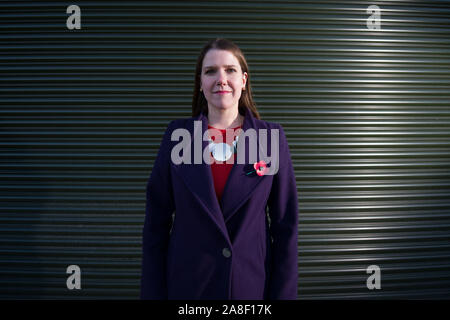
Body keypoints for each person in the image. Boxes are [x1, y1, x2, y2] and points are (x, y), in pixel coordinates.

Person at [140, 38, 298, 300]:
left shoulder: (270, 139)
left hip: (249, 289)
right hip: (188, 288)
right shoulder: (178, 136)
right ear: (200, 83)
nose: (221, 79)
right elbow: (155, 226)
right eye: (210, 71)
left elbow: (286, 228)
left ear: (244, 80)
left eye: (230, 70)